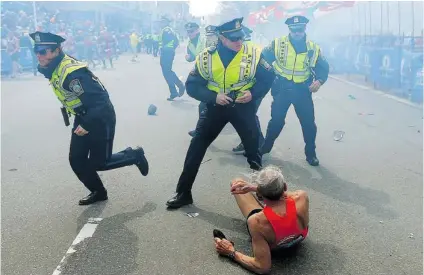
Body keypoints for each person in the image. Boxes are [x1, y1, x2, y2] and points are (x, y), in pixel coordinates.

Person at [166, 18, 275, 209]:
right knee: (196, 149)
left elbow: (268, 77)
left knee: (254, 153)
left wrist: (253, 93)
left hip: (243, 107)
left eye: (241, 37)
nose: (239, 41)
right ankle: (183, 193)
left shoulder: (253, 53)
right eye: (234, 38)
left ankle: (266, 196)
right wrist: (213, 97)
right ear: (222, 38)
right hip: (215, 108)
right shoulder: (206, 57)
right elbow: (192, 86)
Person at [30, 31, 149, 205]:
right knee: (76, 159)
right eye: (36, 50)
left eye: (43, 51)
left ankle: (134, 155)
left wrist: (86, 124)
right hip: (84, 114)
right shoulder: (54, 65)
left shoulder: (73, 74)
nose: (39, 55)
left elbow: (100, 101)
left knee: (100, 162)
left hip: (100, 117)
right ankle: (98, 192)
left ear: (57, 50)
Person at [213, 165, 309, 274]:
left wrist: (231, 252)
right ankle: (270, 197)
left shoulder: (256, 221)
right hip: (299, 236)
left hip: (275, 247)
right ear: (285, 187)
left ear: (260, 195)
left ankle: (266, 201)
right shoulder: (301, 196)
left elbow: (262, 267)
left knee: (236, 182)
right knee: (279, 206)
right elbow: (285, 195)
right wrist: (257, 188)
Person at [260, 16, 329, 166]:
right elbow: (263, 58)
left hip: (302, 90)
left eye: (300, 29)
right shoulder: (278, 43)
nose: (297, 33)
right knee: (276, 121)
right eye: (294, 30)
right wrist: (270, 72)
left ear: (304, 29)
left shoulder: (313, 48)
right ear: (289, 29)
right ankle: (265, 147)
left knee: (308, 124)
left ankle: (311, 153)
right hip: (282, 88)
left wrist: (319, 81)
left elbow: (323, 67)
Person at [232, 25, 266, 155]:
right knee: (246, 117)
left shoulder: (251, 50)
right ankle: (252, 143)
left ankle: (256, 144)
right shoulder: (247, 48)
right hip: (249, 89)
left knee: (247, 116)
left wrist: (253, 92)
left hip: (253, 89)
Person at [184, 22, 207, 137]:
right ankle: (202, 129)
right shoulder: (189, 43)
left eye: (191, 31)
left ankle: (201, 131)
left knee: (204, 105)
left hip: (213, 73)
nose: (189, 33)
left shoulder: (205, 39)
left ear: (197, 30)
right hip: (202, 72)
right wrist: (189, 58)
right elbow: (193, 56)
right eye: (188, 32)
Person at [159, 16, 185, 101]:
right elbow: (176, 42)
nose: (161, 23)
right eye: (161, 21)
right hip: (167, 52)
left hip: (166, 52)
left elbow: (169, 40)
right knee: (167, 72)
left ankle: (179, 86)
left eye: (162, 21)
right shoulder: (168, 30)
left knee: (167, 72)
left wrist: (166, 48)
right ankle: (174, 91)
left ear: (167, 22)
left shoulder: (167, 30)